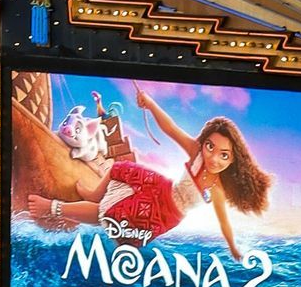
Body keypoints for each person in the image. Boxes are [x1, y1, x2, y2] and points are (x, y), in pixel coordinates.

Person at [25, 88, 273, 263]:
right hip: (161, 188)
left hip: (166, 213)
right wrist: (151, 104)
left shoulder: (217, 188)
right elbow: (170, 128)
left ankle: (53, 208)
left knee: (110, 213)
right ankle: (93, 193)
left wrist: (233, 248)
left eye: (224, 155)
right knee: (121, 168)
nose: (214, 158)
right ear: (204, 143)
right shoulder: (196, 153)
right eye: (211, 147)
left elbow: (224, 223)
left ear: (233, 160)